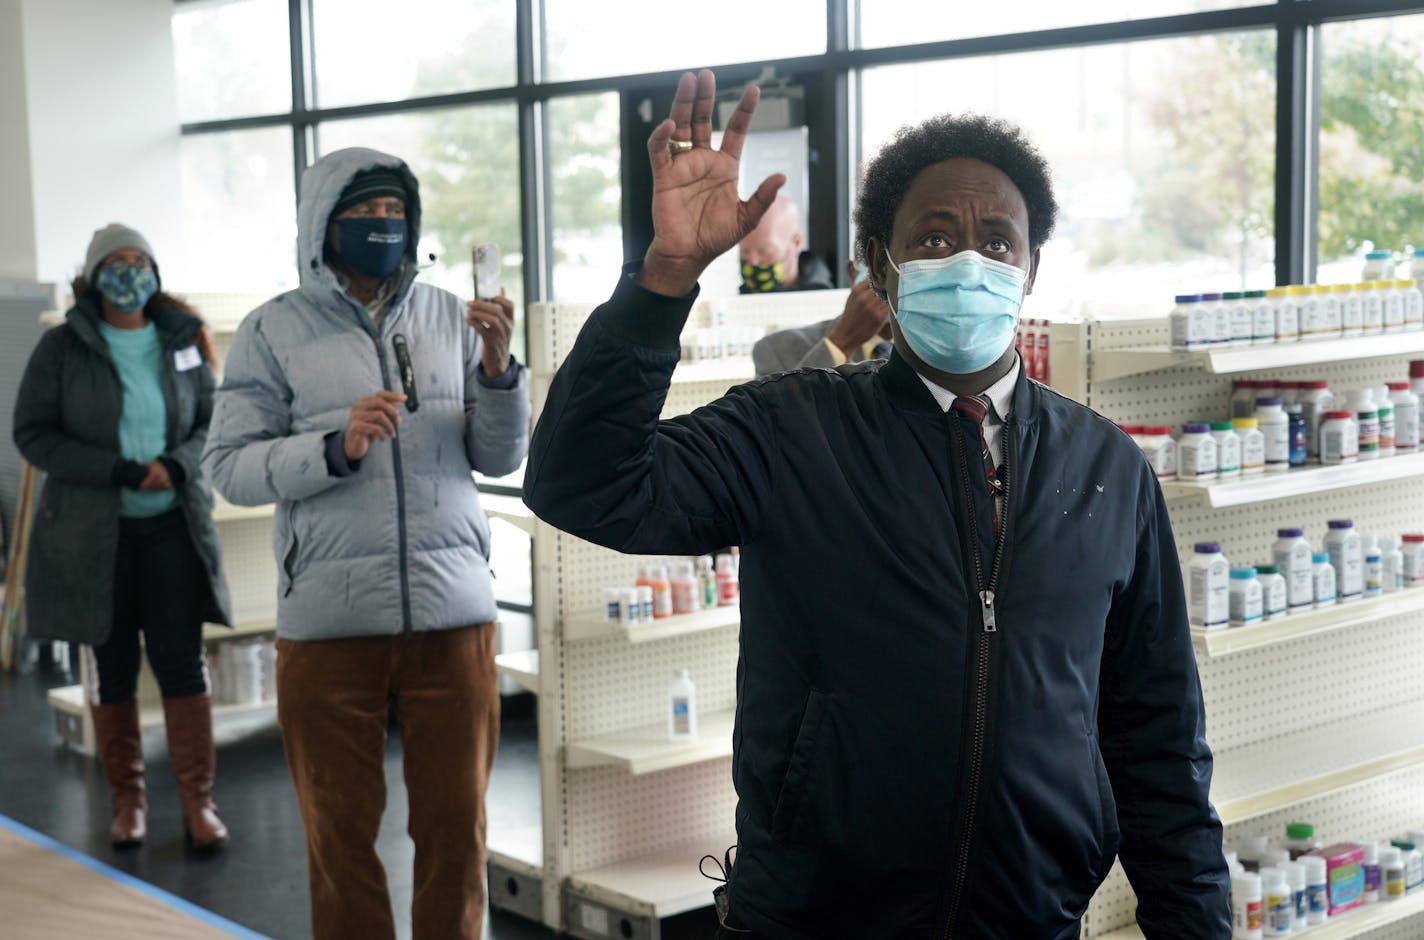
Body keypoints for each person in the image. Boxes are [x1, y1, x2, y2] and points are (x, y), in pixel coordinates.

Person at [523, 70, 1229, 938]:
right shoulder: (792, 428)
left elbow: (1155, 737)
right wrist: (664, 277)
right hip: (815, 920)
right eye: (933, 238)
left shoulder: (1108, 470)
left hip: (1031, 920)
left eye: (997, 241)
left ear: (1032, 267)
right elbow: (581, 483)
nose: (968, 261)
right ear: (878, 265)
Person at [202, 148, 530, 940]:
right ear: (324, 225)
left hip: (453, 619)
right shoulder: (271, 329)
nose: (384, 228)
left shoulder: (454, 315)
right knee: (339, 840)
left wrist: (497, 370)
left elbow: (499, 455)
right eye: (365, 215)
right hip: (327, 625)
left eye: (396, 215)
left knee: (456, 835)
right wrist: (332, 447)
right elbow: (228, 468)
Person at [13, 224, 234, 852]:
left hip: (173, 526)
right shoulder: (62, 348)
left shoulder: (182, 340)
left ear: (157, 272)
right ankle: (128, 805)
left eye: (142, 261)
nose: (131, 273)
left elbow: (215, 421)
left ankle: (199, 804)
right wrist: (112, 469)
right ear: (93, 274)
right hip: (93, 534)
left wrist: (181, 464)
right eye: (118, 262)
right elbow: (32, 433)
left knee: (181, 662)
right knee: (111, 667)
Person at [750, 260, 894, 376]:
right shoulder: (777, 350)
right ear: (852, 273)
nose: (887, 281)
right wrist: (842, 342)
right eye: (877, 263)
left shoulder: (916, 352)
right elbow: (781, 411)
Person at [737, 194, 833, 293]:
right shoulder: (731, 303)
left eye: (764, 252)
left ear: (796, 243)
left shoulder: (827, 301)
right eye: (745, 251)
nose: (752, 261)